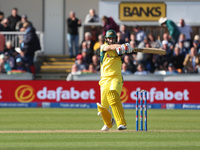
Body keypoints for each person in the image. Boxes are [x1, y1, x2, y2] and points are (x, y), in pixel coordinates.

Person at [97, 29, 133, 131]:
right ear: (106, 39)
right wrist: (123, 45)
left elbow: (122, 52)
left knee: (113, 96)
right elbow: (110, 47)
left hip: (116, 77)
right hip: (104, 79)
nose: (111, 40)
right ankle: (109, 122)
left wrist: (127, 50)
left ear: (115, 38)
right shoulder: (103, 47)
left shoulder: (119, 50)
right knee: (103, 107)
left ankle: (121, 123)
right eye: (109, 38)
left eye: (113, 38)